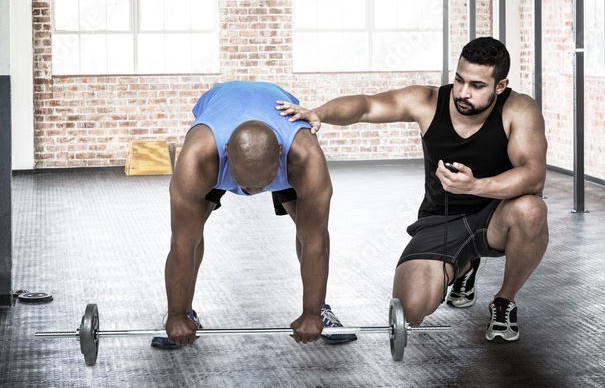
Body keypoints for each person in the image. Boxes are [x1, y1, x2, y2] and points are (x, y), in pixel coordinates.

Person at [276, 37, 548, 342]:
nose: (463, 92)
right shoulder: (428, 102)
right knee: (411, 309)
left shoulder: (519, 109)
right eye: (459, 80)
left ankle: (504, 300)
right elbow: (367, 106)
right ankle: (464, 268)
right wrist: (320, 113)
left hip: (496, 215)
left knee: (531, 209)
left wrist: (476, 186)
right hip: (440, 220)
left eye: (476, 85)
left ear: (500, 86)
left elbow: (534, 174)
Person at [160, 80, 356, 349]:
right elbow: (182, 243)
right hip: (219, 112)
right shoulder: (198, 158)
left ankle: (320, 308)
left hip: (280, 140)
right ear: (226, 153)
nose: (252, 193)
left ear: (280, 154)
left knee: (309, 228)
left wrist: (310, 314)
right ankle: (186, 312)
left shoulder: (306, 157)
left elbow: (315, 240)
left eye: (262, 185)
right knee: (190, 232)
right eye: (244, 184)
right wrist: (176, 315)